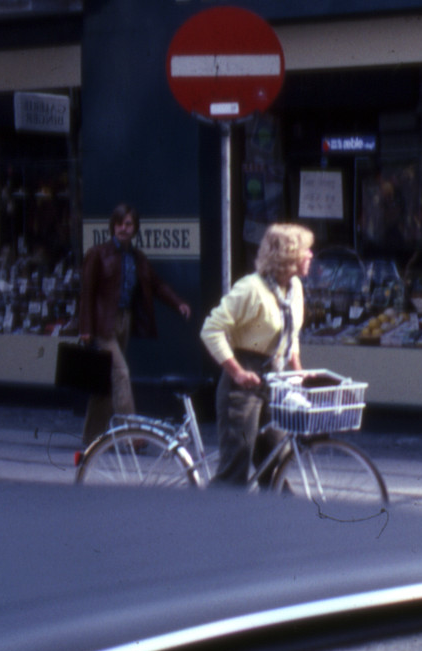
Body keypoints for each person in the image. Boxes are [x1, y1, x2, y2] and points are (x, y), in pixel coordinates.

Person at [201, 223, 313, 486]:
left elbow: (290, 332)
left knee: (276, 461)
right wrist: (237, 372)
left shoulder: (294, 288)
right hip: (243, 383)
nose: (311, 256)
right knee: (235, 467)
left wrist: (296, 368)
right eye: (306, 250)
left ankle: (277, 520)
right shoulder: (250, 288)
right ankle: (207, 521)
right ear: (289, 254)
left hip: (274, 379)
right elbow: (211, 329)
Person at [78, 205, 193, 444]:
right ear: (112, 226)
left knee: (104, 382)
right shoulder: (98, 254)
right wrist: (86, 329)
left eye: (128, 224)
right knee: (121, 374)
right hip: (102, 325)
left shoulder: (138, 258)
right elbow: (86, 293)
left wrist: (178, 303)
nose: (123, 228)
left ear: (135, 228)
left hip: (124, 321)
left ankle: (91, 438)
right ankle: (132, 435)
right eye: (119, 223)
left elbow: (157, 284)